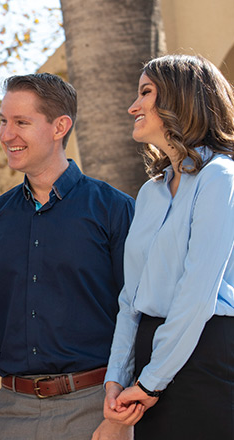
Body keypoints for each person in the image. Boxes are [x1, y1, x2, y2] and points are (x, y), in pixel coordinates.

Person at [0, 73, 135, 440]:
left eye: (21, 122)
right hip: (9, 412)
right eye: (4, 121)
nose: (6, 134)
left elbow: (138, 316)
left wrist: (118, 420)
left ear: (59, 127)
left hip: (94, 407)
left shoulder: (114, 210)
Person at [103, 54, 234, 439]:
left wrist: (149, 383)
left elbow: (197, 296)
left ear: (180, 98)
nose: (133, 106)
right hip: (150, 360)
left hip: (205, 357)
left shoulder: (221, 179)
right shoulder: (150, 192)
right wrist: (117, 377)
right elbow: (131, 299)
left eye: (146, 92)